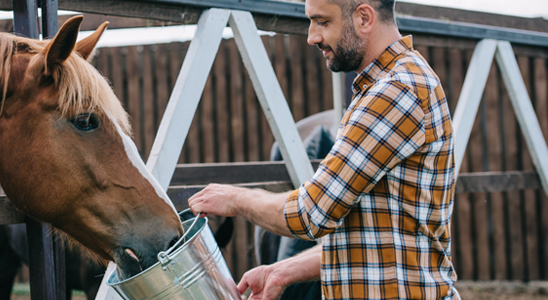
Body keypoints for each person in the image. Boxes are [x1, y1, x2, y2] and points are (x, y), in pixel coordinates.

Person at [188, 0, 458, 299]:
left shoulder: (396, 91)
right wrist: (283, 270)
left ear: (364, 18)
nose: (312, 36)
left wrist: (237, 199)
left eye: (322, 22)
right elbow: (372, 235)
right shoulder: (385, 85)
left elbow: (310, 213)